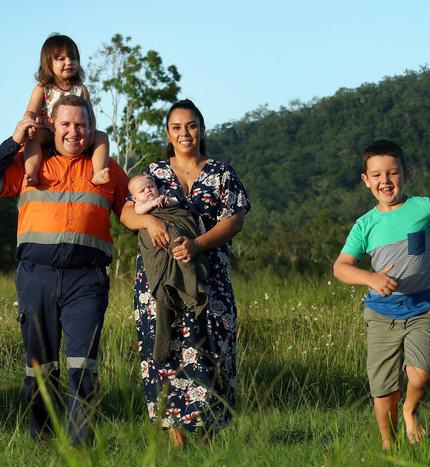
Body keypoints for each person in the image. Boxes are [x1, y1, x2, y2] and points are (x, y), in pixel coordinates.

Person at [0, 95, 129, 445]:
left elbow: (129, 213)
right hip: (35, 277)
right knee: (39, 368)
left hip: (86, 281)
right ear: (52, 127)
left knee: (83, 367)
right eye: (67, 124)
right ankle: (42, 440)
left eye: (82, 125)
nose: (74, 132)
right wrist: (13, 142)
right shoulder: (30, 164)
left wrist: (155, 220)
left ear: (92, 128)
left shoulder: (108, 170)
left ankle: (80, 448)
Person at [120, 99, 250, 448]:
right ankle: (176, 436)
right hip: (159, 279)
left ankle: (207, 434)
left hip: (209, 276)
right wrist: (150, 219)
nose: (184, 133)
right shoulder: (154, 173)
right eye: (176, 127)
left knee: (211, 348)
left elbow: (235, 220)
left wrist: (197, 244)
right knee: (165, 350)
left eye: (191, 125)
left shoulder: (221, 172)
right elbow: (126, 214)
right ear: (168, 133)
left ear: (201, 129)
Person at [333, 140, 430, 449]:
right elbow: (341, 267)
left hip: (424, 308)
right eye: (377, 175)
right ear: (365, 180)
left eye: (392, 173)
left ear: (405, 174)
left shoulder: (424, 207)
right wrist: (370, 278)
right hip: (382, 313)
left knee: (420, 375)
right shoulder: (364, 225)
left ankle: (411, 409)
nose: (386, 181)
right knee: (383, 389)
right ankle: (389, 446)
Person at [128, 173, 209, 363]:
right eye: (142, 190)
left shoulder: (164, 197)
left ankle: (190, 279)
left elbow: (177, 205)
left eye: (151, 187)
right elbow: (139, 212)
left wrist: (166, 200)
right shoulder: (140, 206)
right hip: (157, 244)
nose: (148, 191)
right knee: (163, 289)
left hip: (177, 231)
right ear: (134, 198)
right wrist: (154, 205)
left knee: (176, 235)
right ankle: (162, 342)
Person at [23, 33, 110, 187]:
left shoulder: (81, 89)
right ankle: (31, 173)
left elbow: (89, 115)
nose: (69, 62)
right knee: (32, 139)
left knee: (102, 137)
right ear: (48, 63)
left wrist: (91, 131)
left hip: (75, 134)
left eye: (73, 58)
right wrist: (28, 124)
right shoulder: (43, 89)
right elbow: (31, 111)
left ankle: (98, 172)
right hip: (48, 132)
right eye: (61, 59)